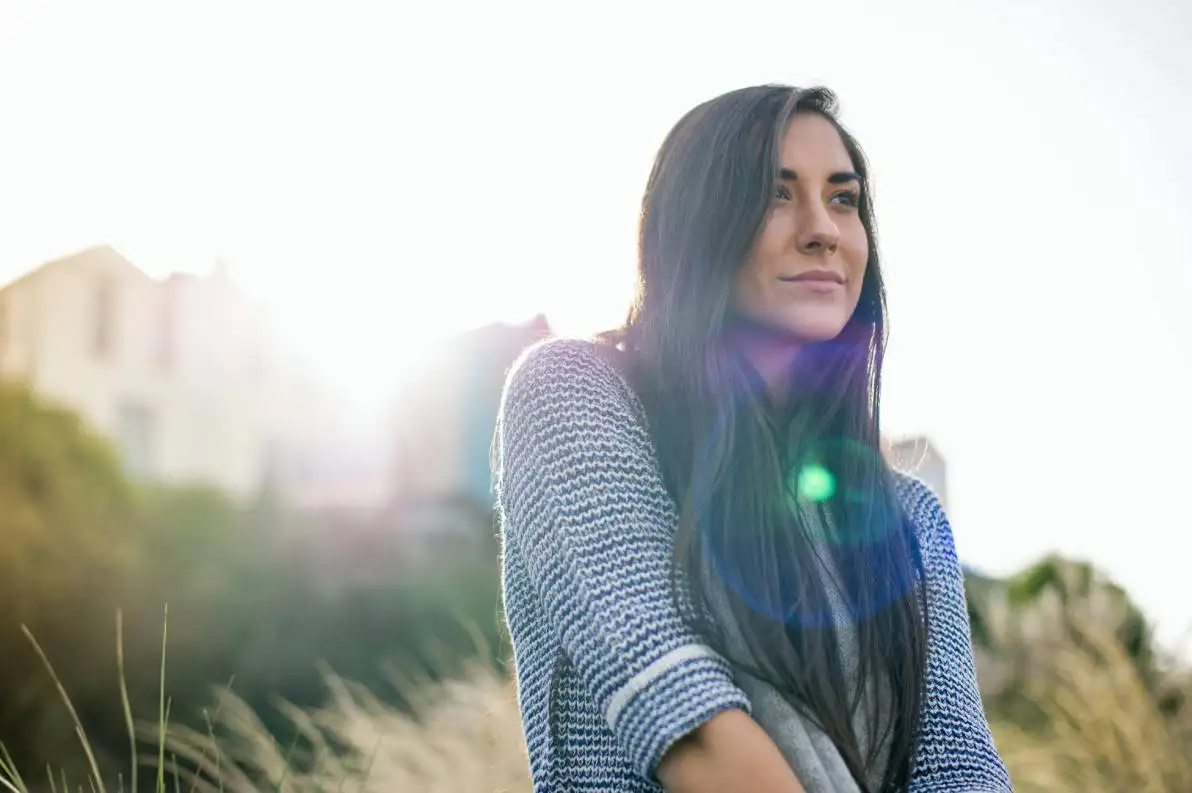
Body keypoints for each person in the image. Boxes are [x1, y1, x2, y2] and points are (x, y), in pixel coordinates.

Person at [494, 85, 1012, 793]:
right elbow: (676, 710)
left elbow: (960, 769)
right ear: (698, 224)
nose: (822, 229)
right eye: (776, 194)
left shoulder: (911, 520)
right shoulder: (572, 393)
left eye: (843, 198)